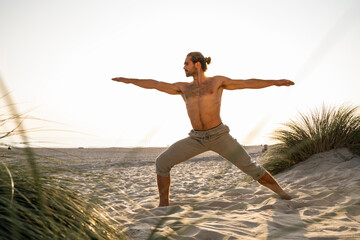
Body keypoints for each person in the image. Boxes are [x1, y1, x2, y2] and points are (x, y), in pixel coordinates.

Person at [112, 51, 294, 206]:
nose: (183, 67)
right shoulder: (183, 88)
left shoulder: (217, 82)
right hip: (196, 138)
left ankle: (283, 194)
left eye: (186, 63)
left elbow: (247, 83)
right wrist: (129, 80)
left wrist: (276, 82)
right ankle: (163, 205)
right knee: (162, 162)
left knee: (252, 169)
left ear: (197, 65)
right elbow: (155, 84)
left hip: (220, 135)